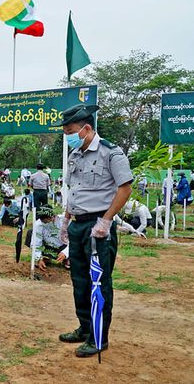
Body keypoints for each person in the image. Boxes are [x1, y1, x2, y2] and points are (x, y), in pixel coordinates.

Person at [55, 104, 133, 358]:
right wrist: (66, 220)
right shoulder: (75, 155)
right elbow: (74, 189)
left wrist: (106, 220)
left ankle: (99, 338)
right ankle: (85, 328)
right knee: (79, 282)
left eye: (70, 131)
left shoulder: (111, 153)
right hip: (78, 225)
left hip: (98, 227)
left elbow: (125, 188)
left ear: (87, 128)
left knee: (98, 283)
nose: (67, 136)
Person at [32, 205, 70, 271]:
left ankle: (67, 258)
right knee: (30, 234)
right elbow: (36, 243)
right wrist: (38, 259)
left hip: (64, 246)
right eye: (43, 222)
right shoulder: (38, 224)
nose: (45, 223)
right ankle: (47, 256)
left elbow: (75, 241)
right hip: (48, 246)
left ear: (53, 216)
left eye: (47, 221)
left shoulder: (64, 221)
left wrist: (65, 253)